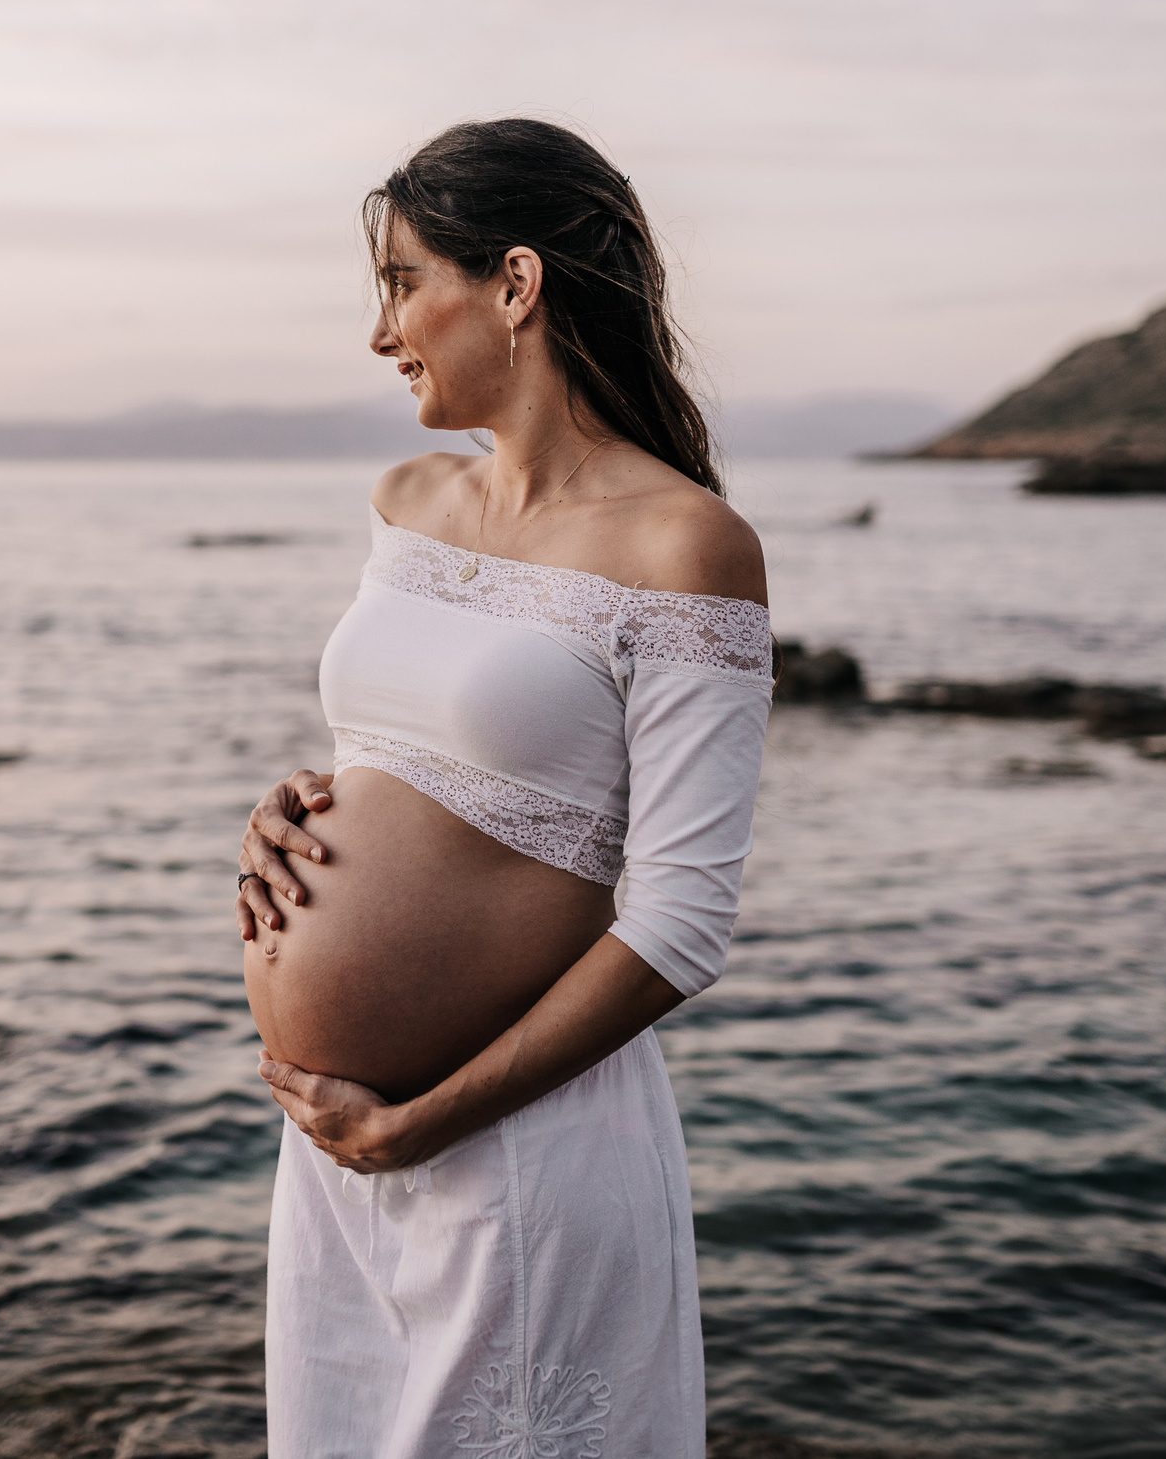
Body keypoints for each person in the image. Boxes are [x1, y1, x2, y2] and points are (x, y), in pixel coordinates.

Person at [233, 118, 774, 1456]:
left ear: (516, 284)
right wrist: (287, 821)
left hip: (516, 1151)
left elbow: (682, 920)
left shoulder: (685, 543)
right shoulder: (409, 499)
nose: (382, 332)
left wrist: (421, 1119)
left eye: (404, 282)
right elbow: (399, 761)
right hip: (340, 1153)